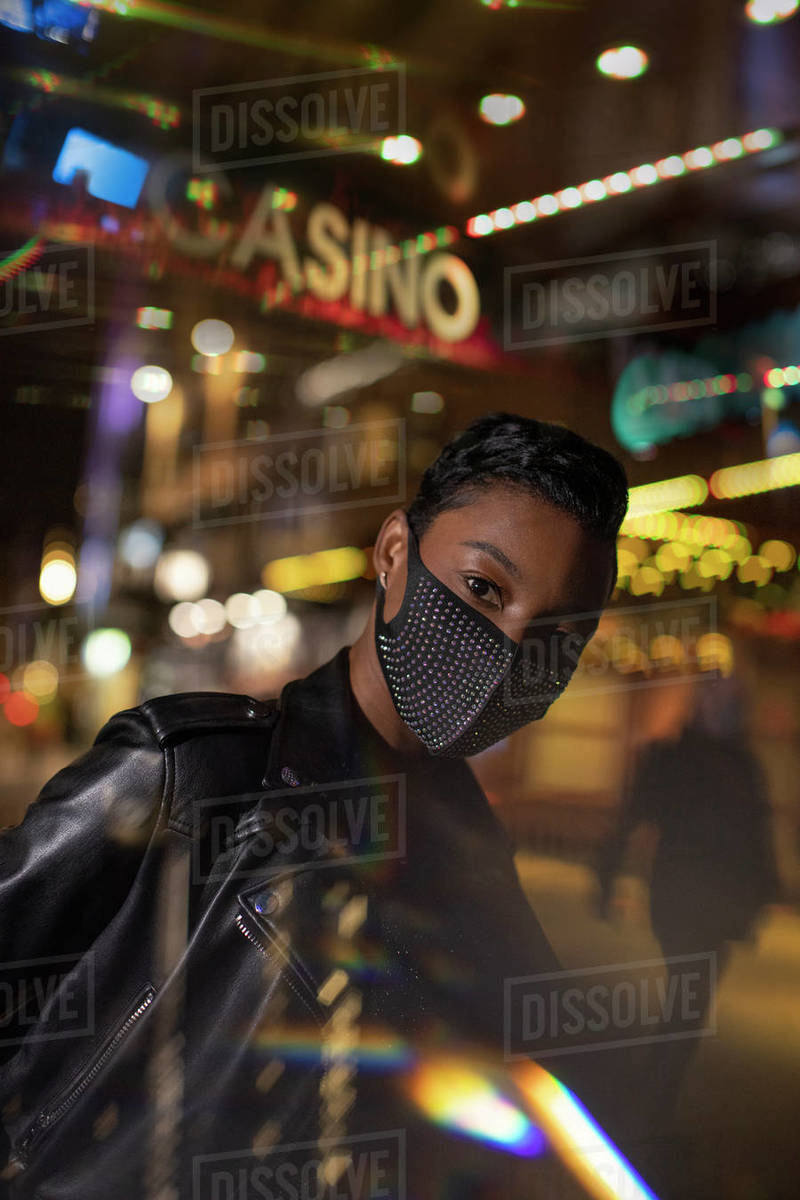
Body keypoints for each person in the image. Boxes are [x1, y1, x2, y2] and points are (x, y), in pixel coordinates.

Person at [0, 413, 629, 1198]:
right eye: (482, 588)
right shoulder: (189, 774)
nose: (509, 648)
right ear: (393, 551)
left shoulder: (476, 858)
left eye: (556, 635)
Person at [595, 673, 781, 1194]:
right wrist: (608, 875)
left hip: (711, 903)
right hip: (686, 900)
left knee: (688, 1003)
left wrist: (761, 894)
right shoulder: (688, 760)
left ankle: (649, 1105)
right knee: (688, 1003)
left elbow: (754, 833)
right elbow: (635, 818)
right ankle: (647, 1109)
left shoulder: (730, 763)